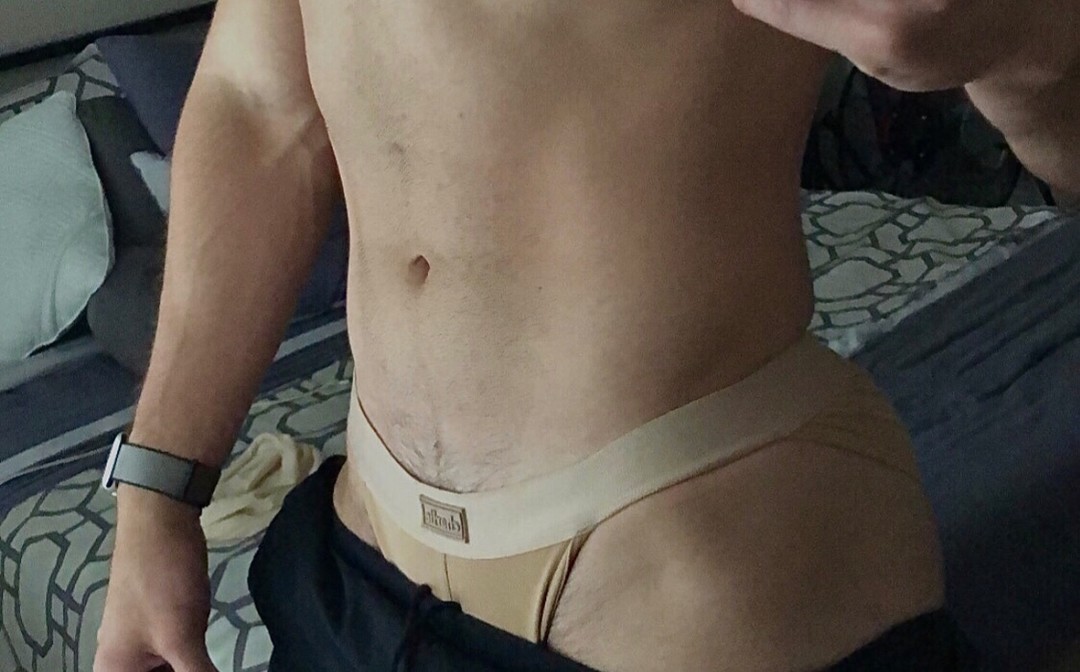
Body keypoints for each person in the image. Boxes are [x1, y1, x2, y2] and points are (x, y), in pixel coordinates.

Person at [93, 1, 1079, 671]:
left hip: (687, 579)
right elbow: (259, 100)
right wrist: (157, 491)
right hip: (364, 559)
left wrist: (1031, 39)